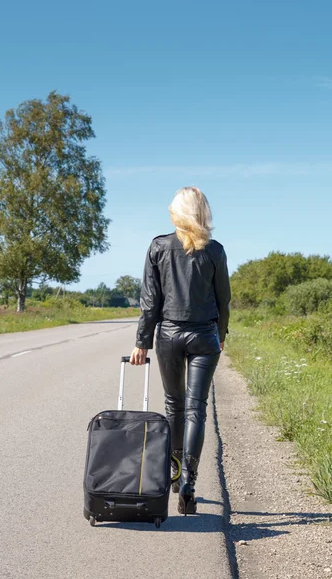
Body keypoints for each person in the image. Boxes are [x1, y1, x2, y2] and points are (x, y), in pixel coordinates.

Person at [130, 186, 231, 515]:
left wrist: (142, 342)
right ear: (203, 213)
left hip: (170, 334)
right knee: (196, 408)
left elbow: (150, 302)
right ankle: (188, 482)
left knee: (174, 404)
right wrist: (221, 334)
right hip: (205, 336)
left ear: (176, 212)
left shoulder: (158, 246)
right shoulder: (215, 251)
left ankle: (174, 473)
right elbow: (223, 300)